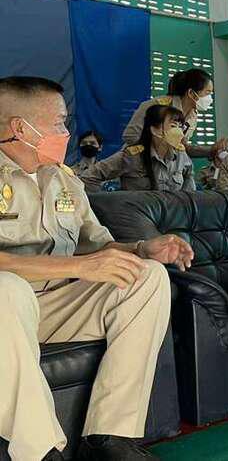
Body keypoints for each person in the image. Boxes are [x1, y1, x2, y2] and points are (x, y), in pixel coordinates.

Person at [0, 76, 194, 461]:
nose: (66, 132)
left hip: (53, 306)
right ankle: (40, 451)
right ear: (21, 127)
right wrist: (81, 266)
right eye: (58, 122)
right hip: (7, 309)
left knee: (146, 276)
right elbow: (81, 263)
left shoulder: (64, 179)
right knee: (7, 288)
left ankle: (108, 438)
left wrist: (142, 248)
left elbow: (99, 247)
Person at [81, 105, 195, 193]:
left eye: (180, 127)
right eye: (173, 126)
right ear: (155, 130)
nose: (179, 132)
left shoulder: (181, 155)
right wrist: (102, 204)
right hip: (137, 215)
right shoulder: (132, 157)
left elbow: (189, 177)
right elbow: (89, 177)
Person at [122, 68, 227, 159]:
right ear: (191, 93)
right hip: (137, 165)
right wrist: (159, 146)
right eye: (207, 93)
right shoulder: (156, 106)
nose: (210, 99)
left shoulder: (192, 116)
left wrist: (211, 150)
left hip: (166, 168)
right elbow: (130, 136)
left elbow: (181, 147)